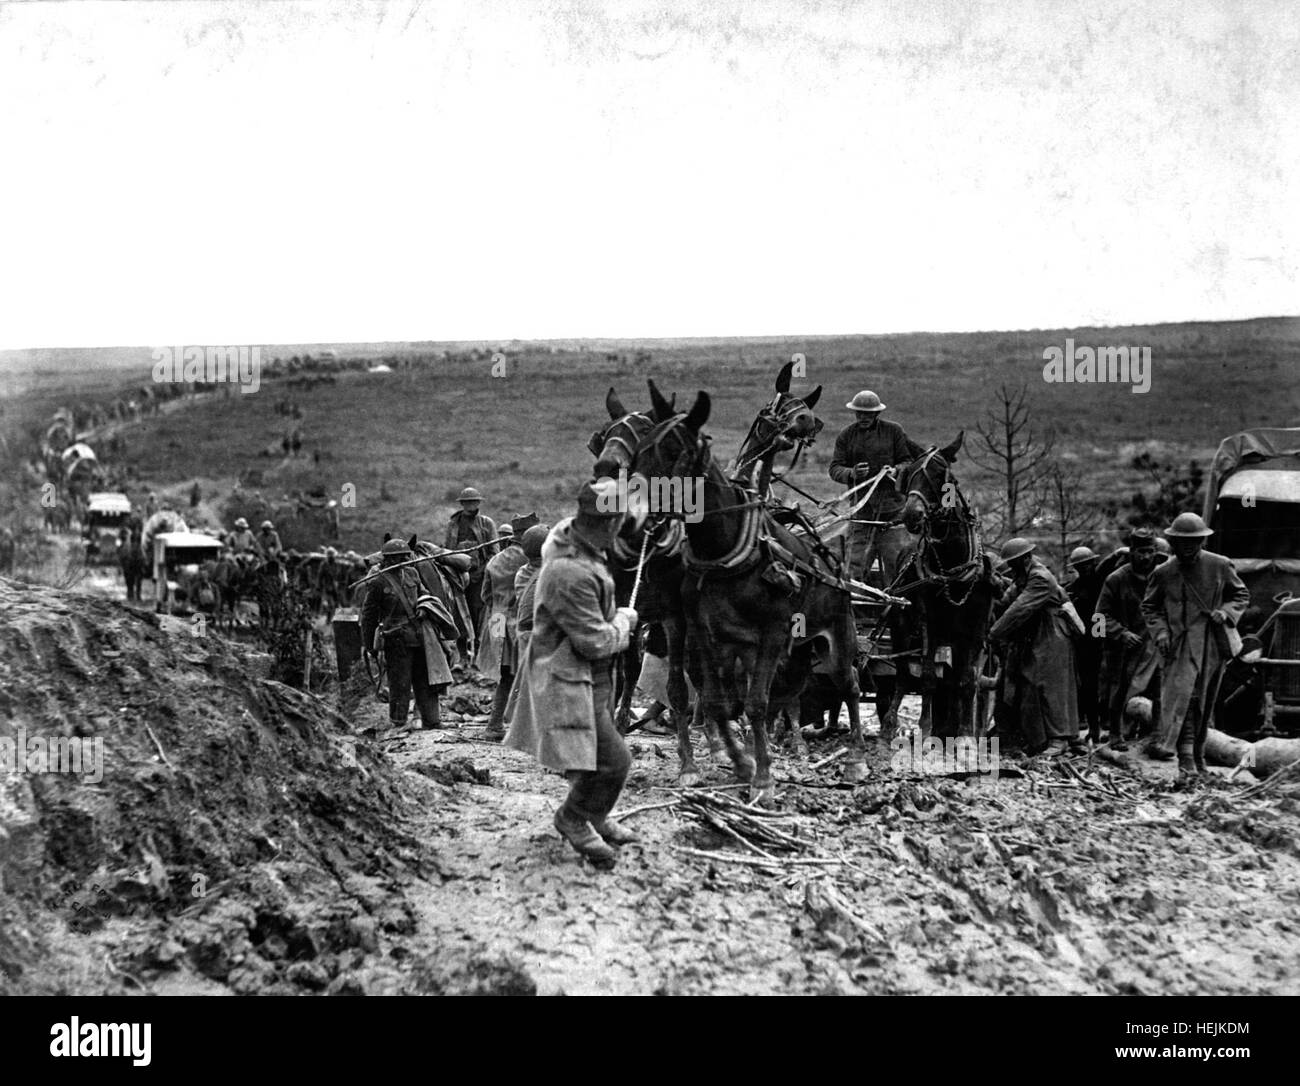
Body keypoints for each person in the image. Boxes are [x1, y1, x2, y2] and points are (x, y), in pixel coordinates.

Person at [505, 481, 639, 870]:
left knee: (592, 756)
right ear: (610, 522)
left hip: (589, 676)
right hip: (568, 674)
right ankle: (573, 818)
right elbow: (594, 642)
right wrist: (624, 623)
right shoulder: (569, 571)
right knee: (614, 760)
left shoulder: (580, 544)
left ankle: (595, 817)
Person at [1141, 513, 1250, 774]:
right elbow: (1149, 607)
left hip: (1211, 645)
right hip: (1178, 646)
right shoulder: (1164, 572)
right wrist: (1161, 633)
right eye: (1182, 541)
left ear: (1203, 541)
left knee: (1205, 700)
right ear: (1173, 543)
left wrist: (1226, 612)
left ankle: (1199, 757)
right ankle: (1186, 757)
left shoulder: (1220, 565)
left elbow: (1241, 593)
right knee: (1183, 698)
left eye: (1194, 541)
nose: (1188, 546)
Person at [989, 537, 1083, 757]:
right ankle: (1063, 738)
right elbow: (1006, 601)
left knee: (1051, 686)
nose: (1011, 567)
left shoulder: (1040, 578)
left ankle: (1059, 740)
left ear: (1026, 559)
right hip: (1039, 634)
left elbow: (1020, 609)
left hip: (1053, 633)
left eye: (1014, 562)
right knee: (1034, 684)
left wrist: (994, 633)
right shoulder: (1024, 577)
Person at [827, 390, 926, 587]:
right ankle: (856, 610)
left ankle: (896, 610)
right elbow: (835, 469)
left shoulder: (894, 431)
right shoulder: (846, 436)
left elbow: (908, 460)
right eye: (859, 413)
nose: (863, 417)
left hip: (892, 514)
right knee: (853, 568)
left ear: (876, 414)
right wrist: (852, 473)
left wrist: (896, 470)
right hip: (861, 513)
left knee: (897, 566)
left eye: (868, 413)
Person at [361, 537, 456, 733]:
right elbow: (368, 615)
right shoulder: (378, 582)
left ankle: (432, 720)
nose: (401, 561)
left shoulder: (412, 573)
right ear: (386, 560)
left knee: (425, 681)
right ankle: (399, 722)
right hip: (395, 639)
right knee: (399, 682)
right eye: (396, 558)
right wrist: (369, 644)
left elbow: (424, 594)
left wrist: (423, 607)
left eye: (404, 557)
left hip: (419, 635)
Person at [1095, 529, 1162, 750]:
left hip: (1155, 645)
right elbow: (1098, 619)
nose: (1145, 557)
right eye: (1141, 551)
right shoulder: (1116, 580)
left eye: (1150, 551)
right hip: (1123, 649)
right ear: (1131, 551)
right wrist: (1121, 633)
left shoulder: (1162, 576)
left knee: (1159, 691)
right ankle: (1115, 733)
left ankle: (1156, 737)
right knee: (1118, 690)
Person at [479, 524, 528, 740]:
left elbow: (485, 595)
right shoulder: (530, 560)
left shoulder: (494, 560)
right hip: (518, 621)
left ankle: (495, 723)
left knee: (504, 673)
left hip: (497, 619)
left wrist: (498, 607)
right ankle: (514, 726)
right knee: (521, 673)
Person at [500, 523, 550, 732]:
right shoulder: (547, 573)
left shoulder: (520, 571)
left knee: (525, 674)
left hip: (516, 625)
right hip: (540, 630)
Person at [443, 486, 497, 638]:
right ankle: (464, 647)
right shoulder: (453, 524)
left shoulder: (487, 524)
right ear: (462, 504)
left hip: (480, 575)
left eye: (474, 502)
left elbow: (494, 552)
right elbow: (448, 551)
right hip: (457, 575)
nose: (471, 505)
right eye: (468, 502)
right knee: (458, 610)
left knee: (479, 609)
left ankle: (480, 643)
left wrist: (482, 572)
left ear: (479, 503)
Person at [1065, 545, 1106, 741]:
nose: (1085, 569)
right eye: (1080, 567)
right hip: (1083, 642)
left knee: (1102, 687)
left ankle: (1103, 727)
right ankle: (1092, 728)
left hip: (1103, 640)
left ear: (1094, 564)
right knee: (1087, 687)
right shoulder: (1073, 589)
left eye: (1088, 565)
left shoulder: (1102, 582)